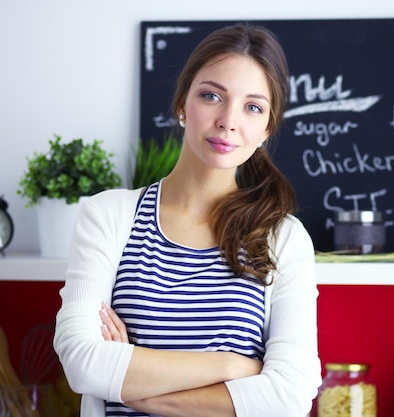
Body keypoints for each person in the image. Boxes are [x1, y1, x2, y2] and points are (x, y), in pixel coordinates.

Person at [53, 23, 322, 417]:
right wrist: (230, 365)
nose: (228, 120)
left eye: (252, 107)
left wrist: (134, 385)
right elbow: (82, 362)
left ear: (266, 128)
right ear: (182, 104)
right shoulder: (107, 216)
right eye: (212, 95)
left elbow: (289, 396)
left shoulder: (283, 239)